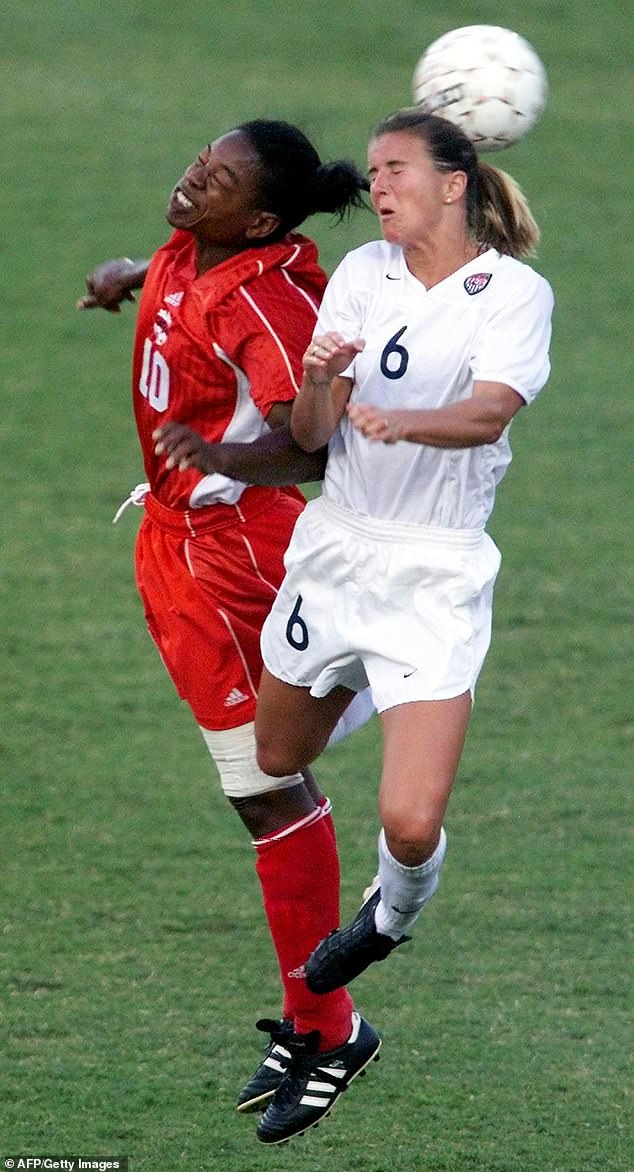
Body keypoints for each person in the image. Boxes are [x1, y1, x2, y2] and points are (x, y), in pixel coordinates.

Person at [77, 119, 381, 1147]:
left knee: (268, 786)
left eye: (214, 182)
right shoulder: (196, 245)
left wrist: (217, 451)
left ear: (256, 219)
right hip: (174, 549)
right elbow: (172, 274)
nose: (188, 181)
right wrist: (126, 276)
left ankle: (327, 1025)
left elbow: (316, 437)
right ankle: (320, 1020)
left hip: (236, 555)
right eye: (195, 162)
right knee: (261, 778)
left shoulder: (264, 297)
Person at [251, 106, 554, 1116]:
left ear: (455, 184)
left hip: (431, 574)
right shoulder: (358, 275)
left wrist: (403, 419)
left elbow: (489, 412)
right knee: (279, 752)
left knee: (408, 819)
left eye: (396, 170)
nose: (376, 187)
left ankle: (390, 917)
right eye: (373, 171)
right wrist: (320, 384)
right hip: (337, 550)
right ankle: (383, 695)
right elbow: (308, 431)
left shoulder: (510, 293)